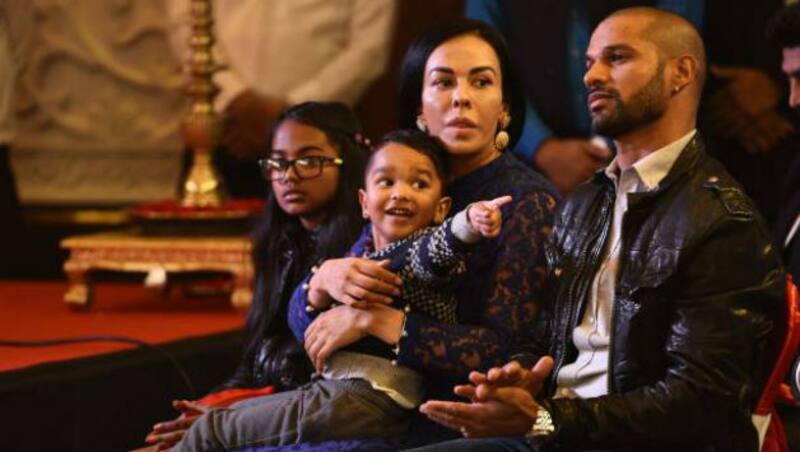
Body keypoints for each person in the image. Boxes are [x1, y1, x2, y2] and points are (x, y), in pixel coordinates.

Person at [415, 7, 784, 452]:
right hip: (556, 433)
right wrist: (520, 378)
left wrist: (545, 419)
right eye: (590, 63)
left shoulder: (724, 222)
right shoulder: (584, 201)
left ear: (681, 73)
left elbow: (700, 402)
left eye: (617, 58)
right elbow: (544, 336)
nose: (592, 76)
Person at [173, 129, 515, 450]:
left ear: (441, 209)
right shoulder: (357, 253)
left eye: (418, 183)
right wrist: (320, 281)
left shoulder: (418, 252)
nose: (400, 192)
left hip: (371, 394)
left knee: (212, 431)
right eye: (386, 181)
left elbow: (441, 248)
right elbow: (308, 327)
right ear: (364, 202)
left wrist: (469, 221)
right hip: (334, 388)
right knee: (216, 423)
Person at [144, 101, 368, 451]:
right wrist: (211, 405)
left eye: (309, 161)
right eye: (278, 162)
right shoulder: (278, 242)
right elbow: (254, 358)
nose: (289, 175)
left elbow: (323, 381)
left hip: (318, 411)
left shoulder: (360, 251)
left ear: (348, 163)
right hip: (268, 399)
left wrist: (230, 415)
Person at [166, 0, 397, 197]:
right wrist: (235, 96)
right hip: (226, 133)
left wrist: (295, 115)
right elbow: (184, 23)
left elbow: (369, 48)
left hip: (320, 143)